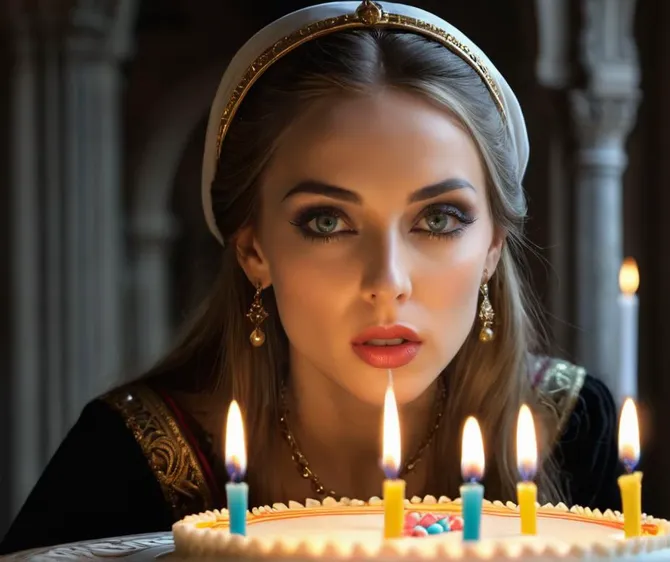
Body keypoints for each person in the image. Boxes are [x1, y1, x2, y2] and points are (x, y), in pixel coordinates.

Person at [0, 0, 621, 554]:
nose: (387, 281)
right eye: (327, 222)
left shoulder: (567, 426)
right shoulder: (134, 456)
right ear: (253, 251)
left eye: (437, 218)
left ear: (491, 247)